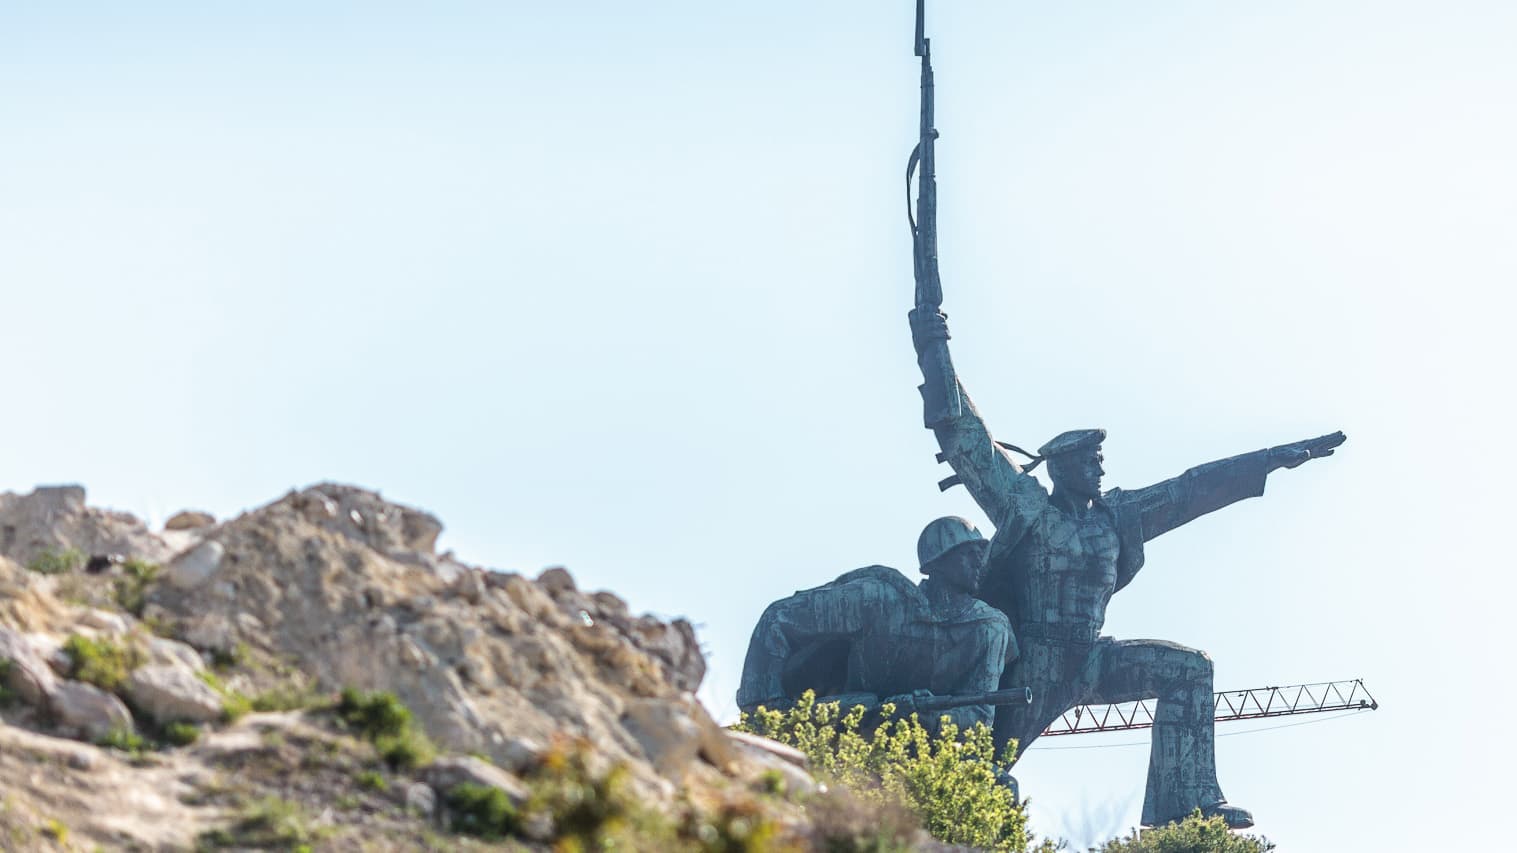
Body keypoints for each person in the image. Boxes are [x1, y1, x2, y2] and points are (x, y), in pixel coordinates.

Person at [909, 307, 1344, 829]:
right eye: (1092, 461)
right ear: (1064, 467)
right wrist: (933, 345)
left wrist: (1270, 458)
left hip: (1092, 658)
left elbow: (1189, 490)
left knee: (1190, 670)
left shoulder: (1118, 517)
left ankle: (1184, 805)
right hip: (1036, 663)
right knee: (972, 774)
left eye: (1100, 459)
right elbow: (967, 438)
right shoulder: (1026, 507)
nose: (1102, 468)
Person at [737, 516, 1015, 733]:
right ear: (934, 563)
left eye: (982, 552)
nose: (980, 560)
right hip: (847, 726)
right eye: (967, 553)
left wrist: (927, 718)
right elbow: (777, 618)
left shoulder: (990, 628)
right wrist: (764, 710)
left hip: (924, 748)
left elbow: (979, 716)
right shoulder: (879, 599)